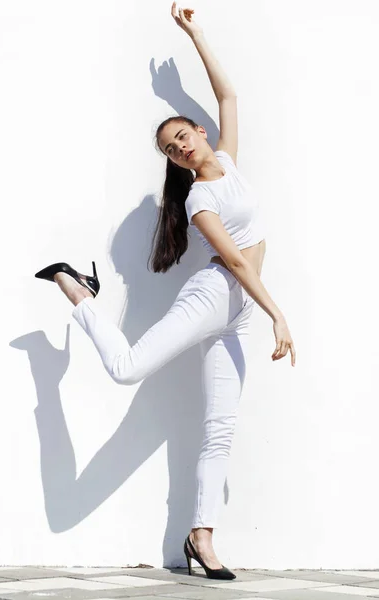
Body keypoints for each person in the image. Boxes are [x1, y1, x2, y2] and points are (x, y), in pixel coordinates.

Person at [34, 3, 295, 580]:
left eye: (182, 136)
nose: (180, 148)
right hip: (214, 298)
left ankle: (201, 536)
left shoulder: (227, 160)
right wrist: (278, 312)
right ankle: (77, 293)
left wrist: (196, 33)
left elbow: (229, 96)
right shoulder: (200, 200)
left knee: (219, 427)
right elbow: (233, 260)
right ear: (174, 163)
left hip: (235, 316)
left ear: (199, 132)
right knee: (126, 369)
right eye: (171, 149)